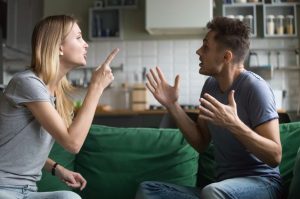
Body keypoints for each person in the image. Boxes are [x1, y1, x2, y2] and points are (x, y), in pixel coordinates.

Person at [135, 16, 282, 199]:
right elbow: (201, 142)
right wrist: (172, 105)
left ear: (226, 56)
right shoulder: (210, 87)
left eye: (205, 47)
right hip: (221, 189)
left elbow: (275, 155)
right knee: (148, 189)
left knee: (212, 191)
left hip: (263, 184)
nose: (198, 51)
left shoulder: (255, 88)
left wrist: (234, 124)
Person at [0, 15, 119, 199]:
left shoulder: (55, 93)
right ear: (59, 47)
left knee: (70, 198)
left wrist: (57, 168)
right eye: (78, 37)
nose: (86, 44)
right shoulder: (27, 83)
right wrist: (96, 87)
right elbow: (73, 144)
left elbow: (23, 149)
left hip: (27, 191)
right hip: (3, 188)